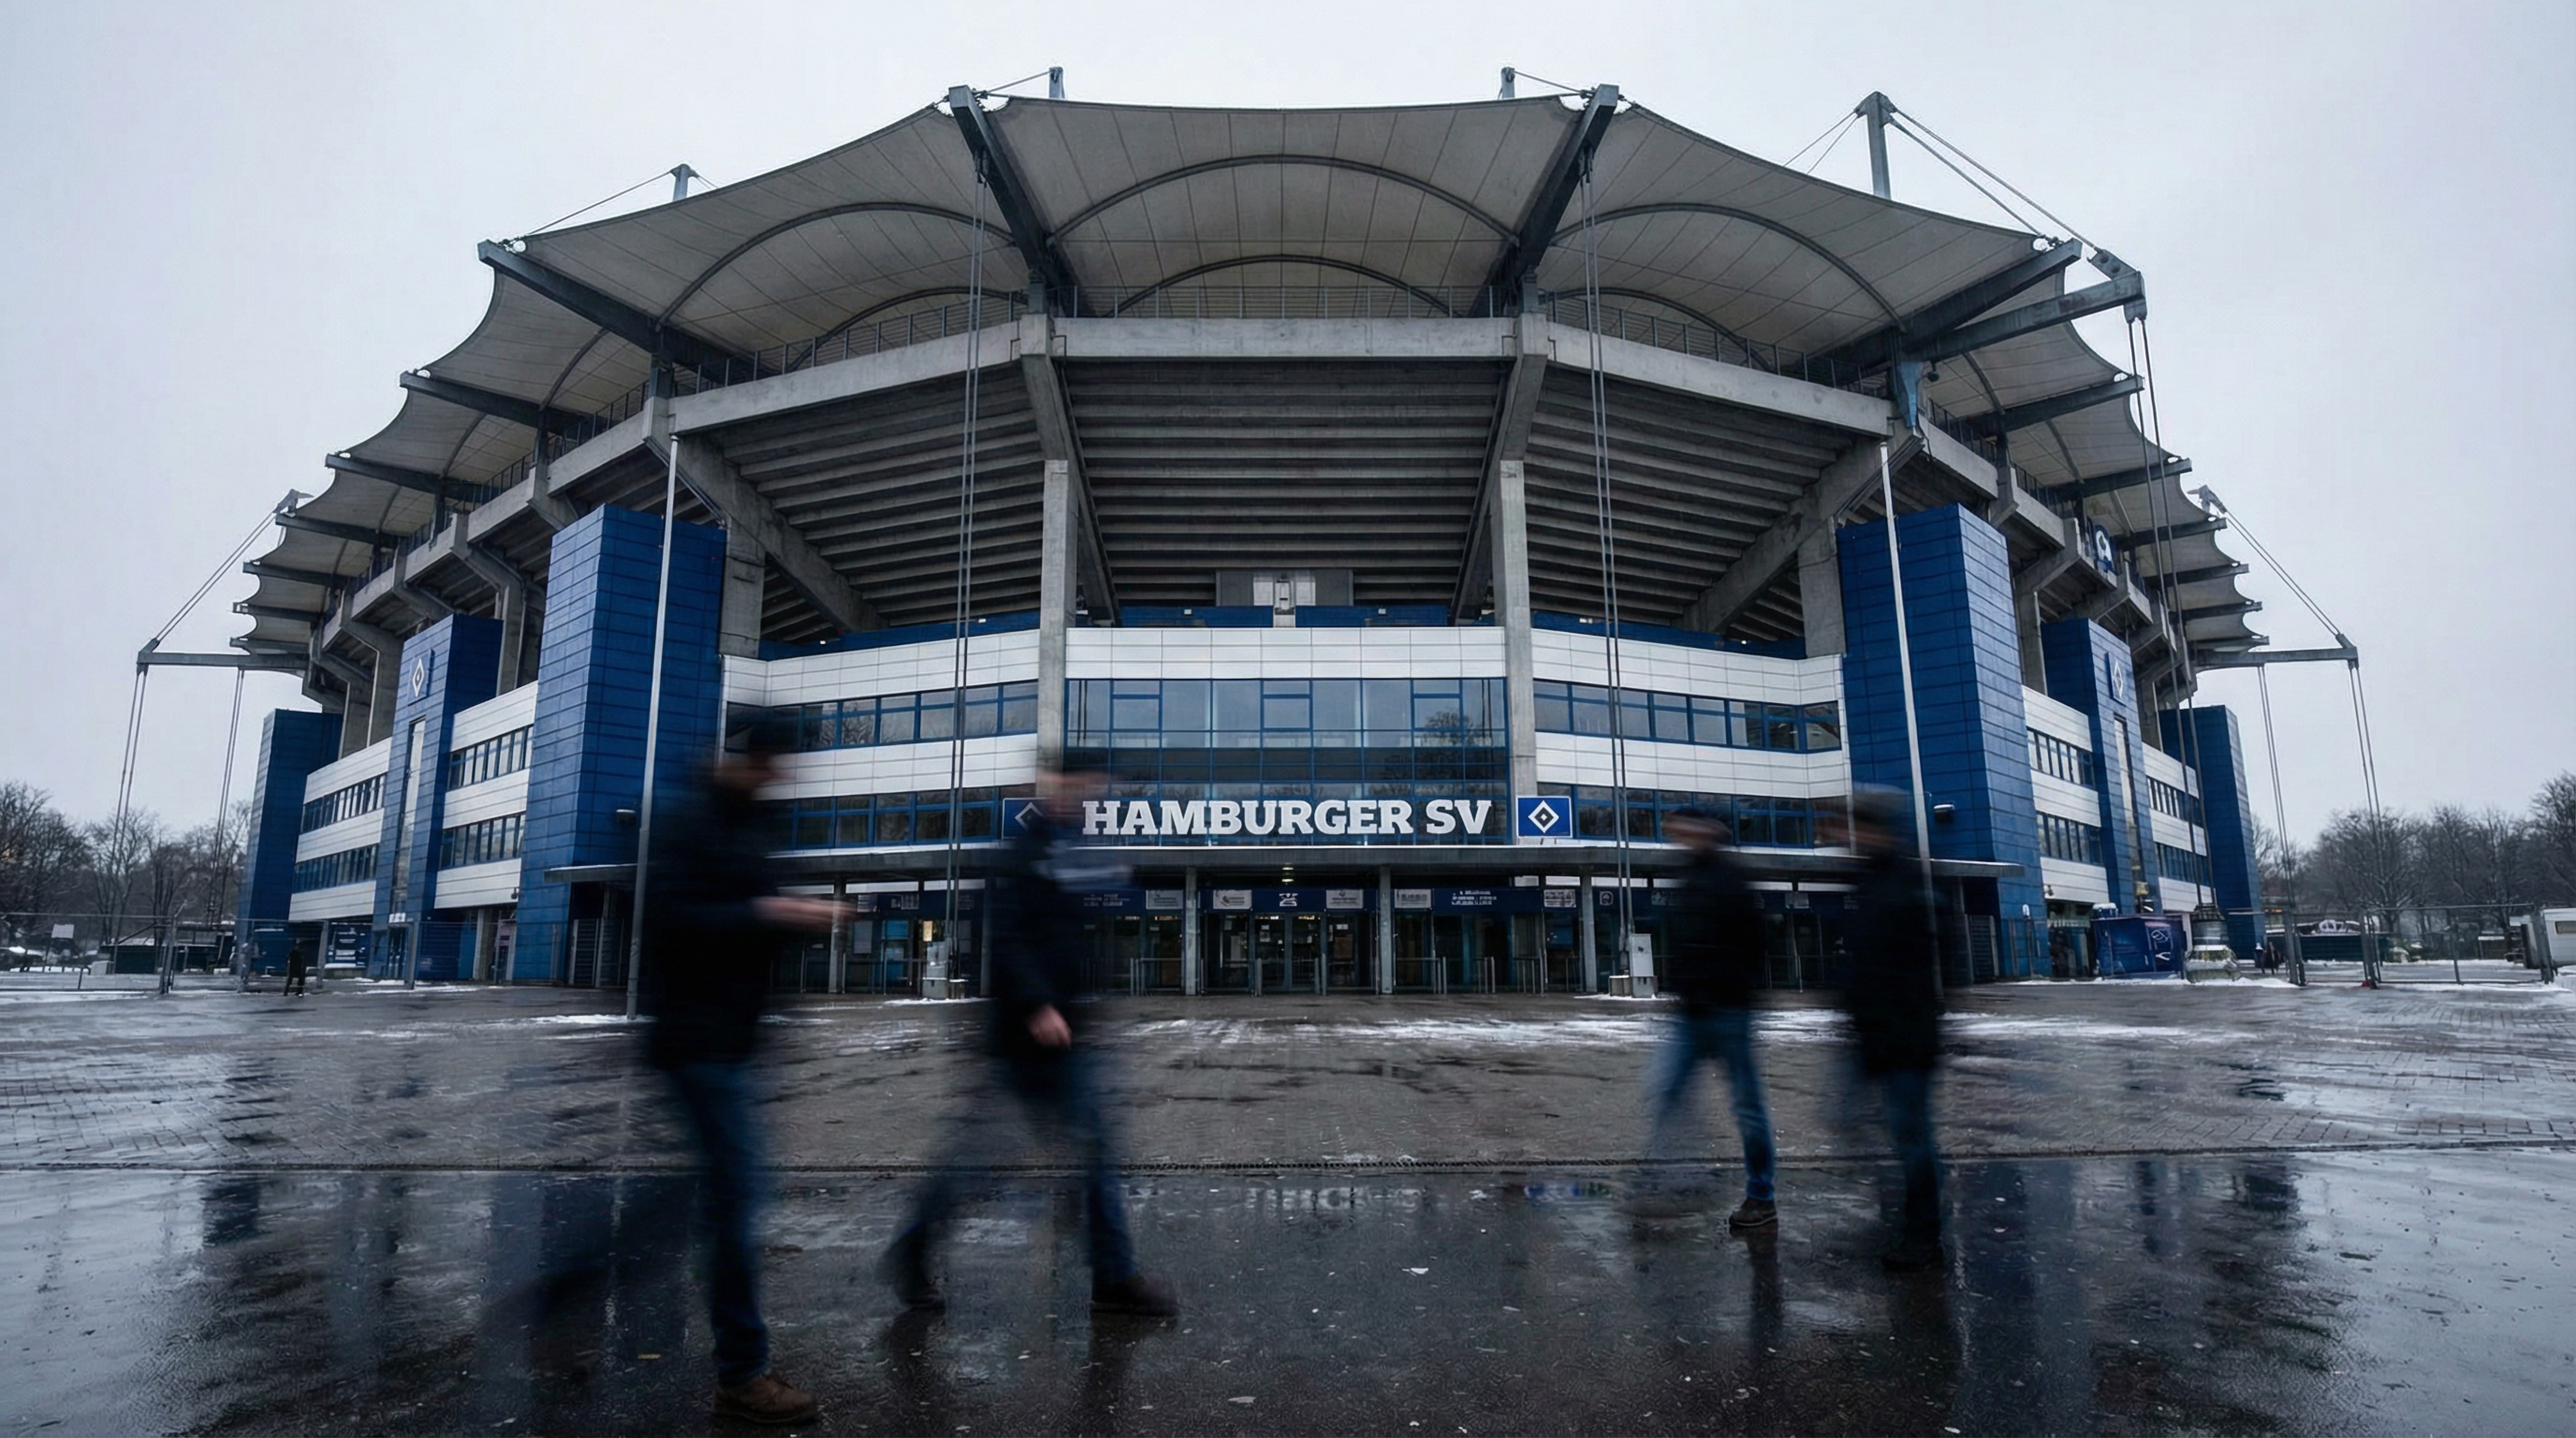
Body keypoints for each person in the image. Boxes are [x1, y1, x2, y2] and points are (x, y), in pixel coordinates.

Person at [882, 757, 1178, 1317]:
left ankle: (1114, 1278)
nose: (1092, 796)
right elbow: (1011, 939)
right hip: (1022, 1039)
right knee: (978, 1162)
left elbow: (1078, 941)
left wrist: (1090, 1005)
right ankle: (914, 1248)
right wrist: (1038, 1003)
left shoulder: (1074, 848)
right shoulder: (1022, 851)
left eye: (1097, 789)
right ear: (1057, 786)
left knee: (1098, 1153)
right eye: (1083, 786)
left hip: (1070, 1039)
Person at [637, 714, 842, 1425]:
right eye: (781, 763)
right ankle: (742, 1374)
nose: (788, 776)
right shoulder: (695, 821)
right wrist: (770, 909)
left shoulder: (749, 822)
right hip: (696, 1040)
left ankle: (564, 1293)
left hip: (727, 1041)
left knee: (698, 1203)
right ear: (755, 761)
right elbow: (670, 918)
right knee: (735, 1199)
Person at [1626, 805, 1778, 1229]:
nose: (1675, 836)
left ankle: (1760, 1196)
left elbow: (1754, 946)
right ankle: (1668, 1179)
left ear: (1707, 830)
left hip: (1730, 1009)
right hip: (1690, 1011)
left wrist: (1736, 992)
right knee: (1665, 1088)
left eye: (1681, 828)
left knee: (1747, 1107)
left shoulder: (1732, 879)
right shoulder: (1688, 877)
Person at [1839, 787, 1947, 1271]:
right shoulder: (1869, 881)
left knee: (1911, 1137)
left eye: (1858, 827)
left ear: (1876, 829)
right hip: (1876, 1034)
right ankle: (1908, 1223)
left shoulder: (1907, 883)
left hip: (1904, 1037)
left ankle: (1923, 1237)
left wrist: (1911, 1029)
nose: (1849, 837)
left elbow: (1929, 967)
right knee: (1885, 1130)